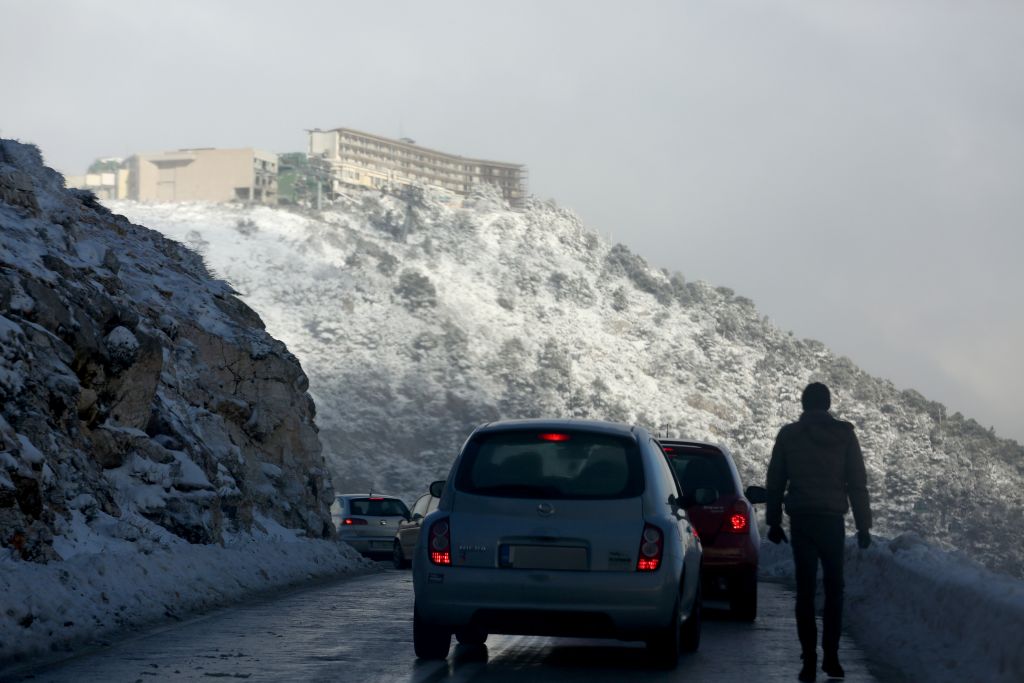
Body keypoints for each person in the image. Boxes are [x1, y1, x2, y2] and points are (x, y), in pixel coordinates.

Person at [765, 382, 872, 682]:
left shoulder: (789, 435)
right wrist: (864, 525)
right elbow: (857, 483)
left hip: (802, 521)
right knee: (835, 589)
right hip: (831, 522)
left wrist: (773, 521)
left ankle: (809, 659)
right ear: (827, 404)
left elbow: (775, 482)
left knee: (806, 591)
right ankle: (833, 658)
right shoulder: (845, 436)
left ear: (803, 404)